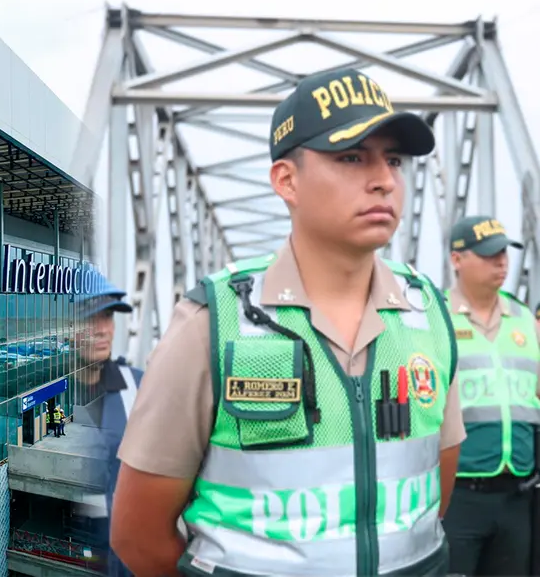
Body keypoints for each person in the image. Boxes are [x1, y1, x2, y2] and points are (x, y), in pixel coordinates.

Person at [110, 67, 465, 577]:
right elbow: (137, 535)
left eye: (393, 159)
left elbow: (434, 491)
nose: (384, 180)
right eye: (351, 157)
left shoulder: (428, 314)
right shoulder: (214, 322)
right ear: (286, 180)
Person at [442, 215, 540, 576]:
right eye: (488, 254)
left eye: (504, 253)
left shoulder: (523, 319)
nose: (501, 262)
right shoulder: (436, 318)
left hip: (517, 496)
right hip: (459, 497)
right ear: (457, 260)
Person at [74, 271, 142, 577]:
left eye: (108, 317)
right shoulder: (51, 394)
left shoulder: (142, 389)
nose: (102, 330)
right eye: (90, 319)